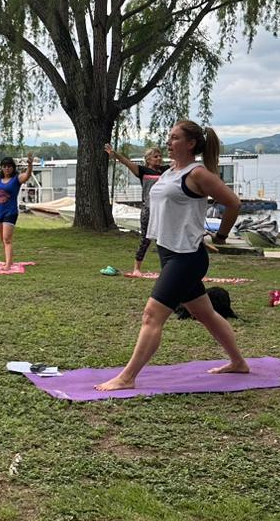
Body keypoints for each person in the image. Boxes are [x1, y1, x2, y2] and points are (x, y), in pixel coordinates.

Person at [96, 119, 248, 390]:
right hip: (169, 253)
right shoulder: (170, 172)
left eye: (175, 137)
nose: (168, 141)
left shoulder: (197, 174)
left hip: (186, 257)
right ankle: (238, 362)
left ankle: (127, 377)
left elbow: (233, 203)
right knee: (206, 314)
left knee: (151, 315)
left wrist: (221, 236)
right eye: (168, 137)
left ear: (190, 144)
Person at [105, 142, 167, 274]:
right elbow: (126, 162)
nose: (159, 158)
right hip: (148, 210)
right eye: (156, 156)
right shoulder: (142, 171)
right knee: (146, 239)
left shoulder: (165, 170)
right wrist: (114, 154)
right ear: (148, 159)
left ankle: (167, 269)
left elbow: (181, 165)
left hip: (162, 210)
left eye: (160, 156)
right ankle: (137, 269)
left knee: (163, 240)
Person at [0, 146, 34, 270]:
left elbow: (27, 175)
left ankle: (8, 265)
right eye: (4, 166)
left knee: (7, 239)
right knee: (2, 240)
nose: (6, 168)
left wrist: (30, 165)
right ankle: (8, 261)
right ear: (2, 168)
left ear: (13, 167)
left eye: (9, 166)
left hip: (10, 212)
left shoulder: (16, 179)